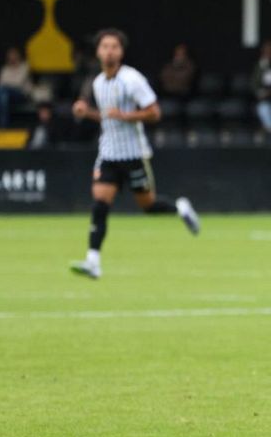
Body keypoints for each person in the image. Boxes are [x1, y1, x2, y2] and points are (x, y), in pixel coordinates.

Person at [68, 29, 200, 280]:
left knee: (148, 206)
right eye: (105, 46)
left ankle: (180, 208)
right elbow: (108, 116)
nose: (109, 51)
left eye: (114, 47)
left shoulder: (132, 80)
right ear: (98, 52)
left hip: (133, 154)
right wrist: (87, 113)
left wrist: (126, 116)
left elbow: (154, 112)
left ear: (121, 52)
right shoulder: (97, 83)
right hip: (108, 153)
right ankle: (93, 260)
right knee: (99, 204)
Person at [0, 46, 34, 128]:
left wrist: (6, 85)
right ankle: (3, 123)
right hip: (7, 96)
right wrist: (6, 86)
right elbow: (0, 84)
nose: (12, 58)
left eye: (14, 56)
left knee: (2, 91)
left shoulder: (25, 66)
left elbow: (18, 83)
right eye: (10, 56)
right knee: (3, 94)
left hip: (22, 95)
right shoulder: (5, 68)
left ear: (18, 56)